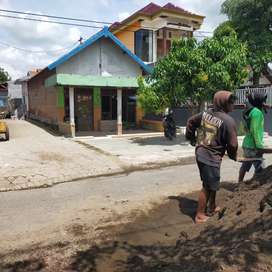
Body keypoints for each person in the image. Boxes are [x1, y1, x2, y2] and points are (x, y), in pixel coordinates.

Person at [186, 91, 238, 223]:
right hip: (210, 156)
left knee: (213, 182)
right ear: (223, 103)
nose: (233, 104)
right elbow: (233, 144)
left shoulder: (206, 114)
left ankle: (212, 206)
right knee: (208, 186)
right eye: (231, 102)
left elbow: (191, 121)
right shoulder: (228, 121)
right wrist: (233, 155)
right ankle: (200, 214)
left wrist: (191, 138)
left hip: (202, 152)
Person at [238, 91, 267, 183]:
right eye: (263, 101)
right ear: (258, 101)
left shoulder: (250, 110)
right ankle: (258, 187)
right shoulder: (257, 113)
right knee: (261, 168)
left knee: (245, 165)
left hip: (247, 144)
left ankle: (239, 183)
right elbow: (255, 130)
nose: (264, 103)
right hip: (254, 146)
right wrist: (259, 146)